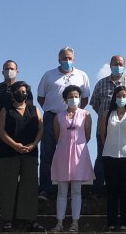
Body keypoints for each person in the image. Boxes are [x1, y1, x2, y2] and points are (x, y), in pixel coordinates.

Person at [37, 47, 91, 200]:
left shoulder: (82, 75)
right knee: (47, 153)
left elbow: (85, 98)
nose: (66, 61)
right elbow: (41, 97)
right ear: (58, 59)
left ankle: (69, 190)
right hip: (51, 117)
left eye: (69, 58)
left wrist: (74, 113)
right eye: (63, 58)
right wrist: (55, 112)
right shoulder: (48, 75)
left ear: (74, 59)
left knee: (70, 154)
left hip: (73, 119)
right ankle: (45, 189)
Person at [89, 55, 126, 198]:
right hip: (105, 128)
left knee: (125, 164)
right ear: (110, 65)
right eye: (115, 63)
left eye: (120, 63)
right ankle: (98, 189)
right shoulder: (101, 83)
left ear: (124, 65)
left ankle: (121, 190)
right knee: (101, 158)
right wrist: (107, 118)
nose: (118, 65)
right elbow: (95, 104)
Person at [0, 81, 43, 232]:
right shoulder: (5, 109)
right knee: (8, 186)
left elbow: (41, 128)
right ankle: (7, 220)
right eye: (19, 91)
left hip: (30, 152)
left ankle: (30, 220)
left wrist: (34, 144)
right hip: (8, 153)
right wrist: (15, 145)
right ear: (13, 93)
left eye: (24, 92)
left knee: (30, 186)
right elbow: (1, 131)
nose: (21, 94)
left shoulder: (34, 109)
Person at [50, 85, 96, 233]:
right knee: (61, 191)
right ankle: (59, 223)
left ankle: (75, 222)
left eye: (76, 96)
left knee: (76, 190)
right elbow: (57, 136)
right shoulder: (58, 116)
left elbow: (87, 136)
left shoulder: (86, 115)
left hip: (79, 154)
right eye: (70, 96)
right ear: (65, 99)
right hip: (62, 153)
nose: (73, 99)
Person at [0, 60, 32, 201]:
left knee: (17, 161)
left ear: (17, 71)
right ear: (2, 71)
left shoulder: (24, 89)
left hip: (18, 130)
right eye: (6, 68)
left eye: (12, 68)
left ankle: (16, 191)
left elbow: (29, 109)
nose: (9, 70)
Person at [99, 85, 126, 231]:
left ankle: (124, 222)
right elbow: (102, 133)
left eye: (124, 96)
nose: (121, 99)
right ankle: (111, 222)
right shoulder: (107, 114)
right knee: (111, 190)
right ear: (114, 98)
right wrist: (108, 146)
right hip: (110, 155)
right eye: (119, 96)